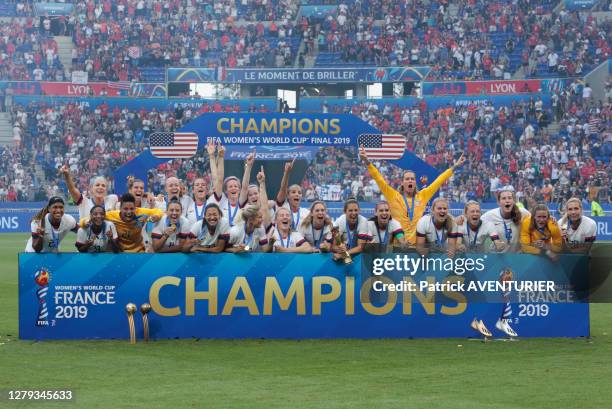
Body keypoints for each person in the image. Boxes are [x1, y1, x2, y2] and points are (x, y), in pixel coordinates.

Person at [359, 147, 465, 244]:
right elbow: (379, 179)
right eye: (407, 179)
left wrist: (455, 167)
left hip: (417, 246)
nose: (410, 181)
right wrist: (367, 162)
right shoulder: (393, 196)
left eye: (412, 179)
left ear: (415, 182)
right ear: (402, 182)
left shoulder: (422, 195)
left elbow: (439, 181)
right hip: (397, 245)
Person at [81, 193, 164, 253]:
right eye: (125, 209)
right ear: (120, 208)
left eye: (132, 209)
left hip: (139, 252)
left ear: (135, 208)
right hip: (119, 253)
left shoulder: (141, 213)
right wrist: (86, 222)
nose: (129, 212)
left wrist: (156, 216)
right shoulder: (112, 215)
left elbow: (159, 211)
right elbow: (85, 220)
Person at [207, 141, 249, 226]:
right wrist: (216, 157)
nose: (233, 188)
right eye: (230, 187)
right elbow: (218, 179)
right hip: (223, 238)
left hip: (239, 239)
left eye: (235, 186)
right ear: (226, 191)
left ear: (239, 189)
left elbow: (245, 187)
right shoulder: (222, 201)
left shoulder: (242, 203)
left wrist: (249, 167)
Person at [276, 158, 310, 231]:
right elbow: (283, 188)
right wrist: (286, 172)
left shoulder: (306, 213)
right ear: (287, 195)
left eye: (299, 193)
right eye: (293, 192)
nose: (297, 194)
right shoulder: (282, 207)